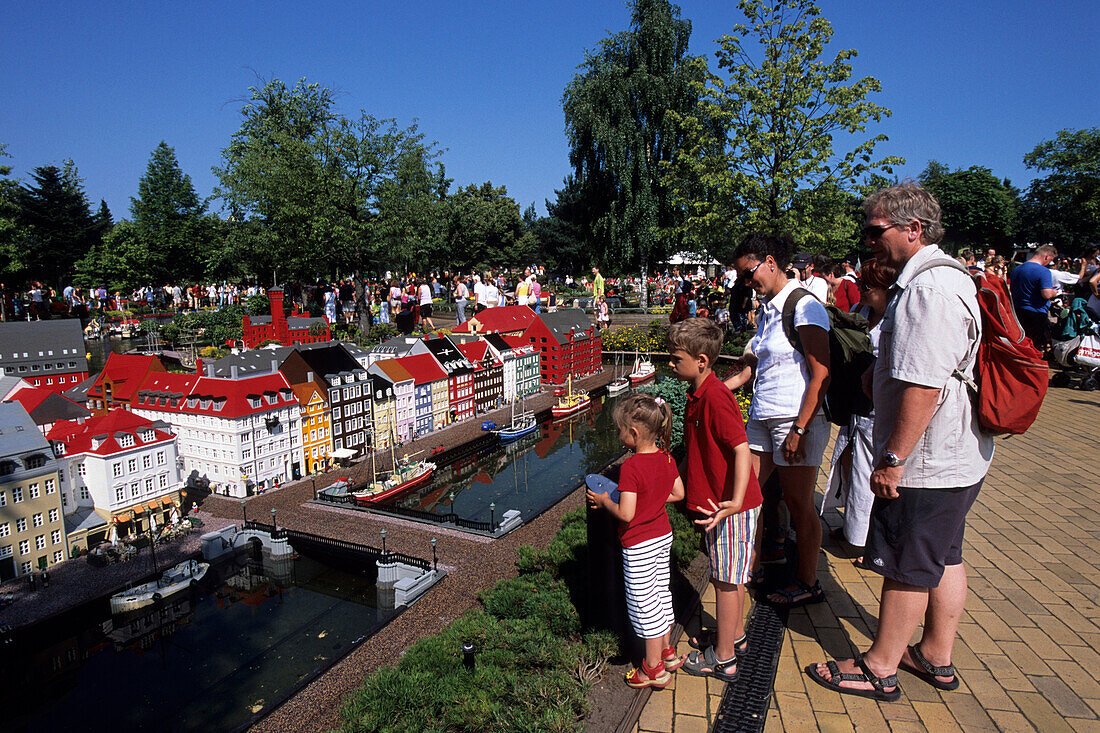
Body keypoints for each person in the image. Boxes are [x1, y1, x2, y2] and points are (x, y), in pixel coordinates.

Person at [807, 182, 993, 702]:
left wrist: (892, 461)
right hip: (956, 456)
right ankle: (935, 654)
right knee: (943, 554)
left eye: (874, 230)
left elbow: (922, 387)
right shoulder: (940, 279)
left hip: (927, 460)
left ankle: (879, 666)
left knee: (908, 561)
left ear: (913, 229)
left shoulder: (927, 289)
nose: (867, 241)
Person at [723, 232, 831, 608]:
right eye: (742, 277)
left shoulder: (805, 305)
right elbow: (759, 364)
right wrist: (723, 387)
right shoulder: (768, 308)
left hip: (793, 418)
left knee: (799, 502)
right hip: (763, 414)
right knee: (746, 493)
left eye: (749, 273)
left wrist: (800, 429)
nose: (747, 282)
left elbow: (821, 373)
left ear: (771, 261)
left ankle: (808, 581)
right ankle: (748, 565)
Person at [665, 318, 761, 681]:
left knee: (724, 580)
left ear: (702, 360)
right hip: (720, 502)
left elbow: (740, 448)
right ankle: (733, 637)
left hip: (728, 506)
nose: (671, 364)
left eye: (676, 359)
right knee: (731, 576)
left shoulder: (715, 399)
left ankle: (722, 658)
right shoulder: (702, 391)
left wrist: (735, 501)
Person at [586, 393, 685, 689]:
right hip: (662, 537)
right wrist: (652, 500)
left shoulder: (631, 468)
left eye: (620, 430)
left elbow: (626, 514)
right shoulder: (666, 457)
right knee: (660, 593)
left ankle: (652, 668)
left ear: (634, 433)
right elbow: (679, 493)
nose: (618, 435)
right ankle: (667, 651)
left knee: (644, 604)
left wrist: (605, 502)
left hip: (639, 543)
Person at [822, 258, 897, 560]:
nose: (862, 289)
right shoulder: (859, 312)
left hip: (884, 408)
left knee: (877, 474)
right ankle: (856, 532)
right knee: (854, 469)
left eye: (870, 286)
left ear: (887, 288)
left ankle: (875, 542)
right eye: (862, 283)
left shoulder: (896, 317)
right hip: (858, 404)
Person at [1009, 244, 1058, 353]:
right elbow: (1046, 294)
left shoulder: (1017, 269)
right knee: (1033, 346)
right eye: (1051, 260)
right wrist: (1054, 292)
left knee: (1020, 342)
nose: (1049, 263)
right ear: (1046, 257)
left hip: (1017, 311)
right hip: (1035, 313)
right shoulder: (1044, 271)